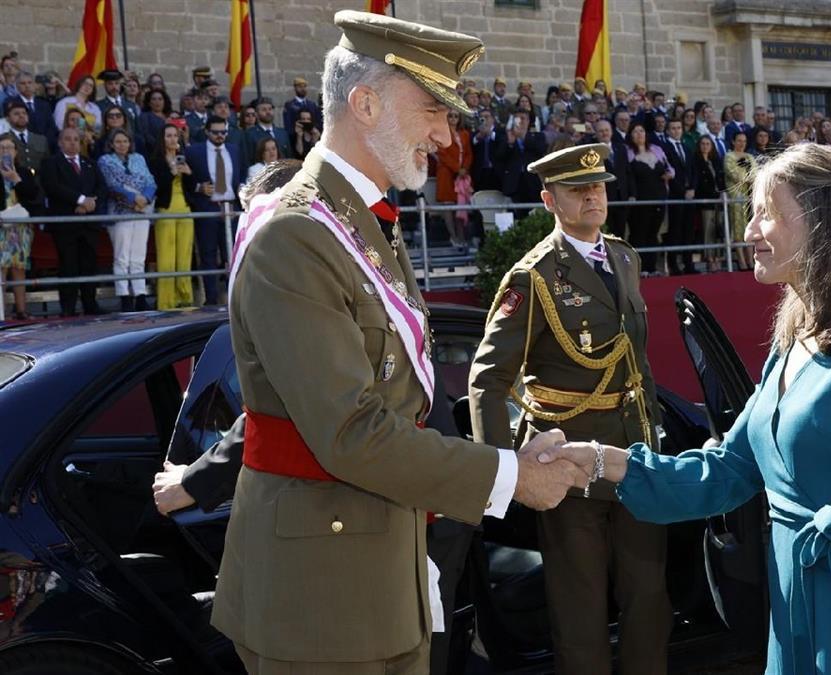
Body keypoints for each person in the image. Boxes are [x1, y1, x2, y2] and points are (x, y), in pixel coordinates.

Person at [212, 13, 587, 674]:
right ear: (365, 103)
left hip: (378, 573)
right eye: (432, 111)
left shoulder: (357, 223)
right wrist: (511, 476)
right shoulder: (296, 236)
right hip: (323, 598)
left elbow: (396, 402)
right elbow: (353, 430)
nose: (446, 135)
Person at [543, 142, 831, 674]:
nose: (750, 232)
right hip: (789, 617)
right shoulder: (792, 337)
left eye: (768, 215)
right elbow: (726, 471)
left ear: (828, 224)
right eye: (751, 214)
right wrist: (600, 460)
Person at [469, 143, 669, 675]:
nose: (591, 197)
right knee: (579, 612)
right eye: (577, 190)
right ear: (549, 200)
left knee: (648, 600)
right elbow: (487, 381)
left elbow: (635, 358)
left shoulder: (625, 256)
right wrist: (504, 473)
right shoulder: (531, 277)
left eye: (598, 186)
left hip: (633, 455)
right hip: (569, 466)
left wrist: (656, 432)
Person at [41, 127, 105, 316]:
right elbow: (53, 187)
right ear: (60, 142)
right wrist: (79, 200)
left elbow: (102, 187)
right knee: (68, 266)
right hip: (66, 225)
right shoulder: (51, 163)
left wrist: (91, 202)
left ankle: (90, 305)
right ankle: (68, 308)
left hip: (89, 224)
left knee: (89, 266)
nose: (72, 142)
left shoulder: (89, 163)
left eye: (76, 139)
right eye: (68, 139)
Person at [98, 129, 156, 311]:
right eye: (118, 142)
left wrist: (145, 199)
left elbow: (150, 181)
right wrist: (133, 199)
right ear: (112, 144)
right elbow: (112, 185)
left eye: (125, 141)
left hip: (142, 211)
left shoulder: (139, 158)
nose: (122, 145)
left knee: (139, 256)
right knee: (122, 257)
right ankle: (123, 296)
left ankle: (140, 295)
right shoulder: (105, 160)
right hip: (120, 213)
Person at [184, 116, 240, 305]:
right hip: (208, 208)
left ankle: (236, 297)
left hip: (231, 208)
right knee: (208, 256)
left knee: (233, 256)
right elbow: (186, 182)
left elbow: (238, 179)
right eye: (216, 132)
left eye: (223, 132)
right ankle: (212, 300)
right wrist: (198, 188)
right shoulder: (194, 152)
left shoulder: (234, 149)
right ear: (207, 131)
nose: (220, 136)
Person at [147, 124, 195, 310]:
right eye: (168, 136)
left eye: (175, 135)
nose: (173, 139)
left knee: (184, 257)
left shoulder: (184, 158)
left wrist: (189, 174)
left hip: (185, 209)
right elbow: (157, 187)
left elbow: (192, 187)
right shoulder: (156, 160)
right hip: (165, 210)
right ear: (162, 139)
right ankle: (166, 303)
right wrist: (171, 172)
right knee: (167, 259)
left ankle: (185, 298)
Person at [0, 132, 41, 319]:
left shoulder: (23, 172)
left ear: (16, 152)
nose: (5, 151)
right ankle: (1, 311)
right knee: (1, 269)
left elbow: (33, 194)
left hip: (20, 228)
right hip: (1, 227)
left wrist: (16, 178)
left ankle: (21, 310)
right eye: (1, 148)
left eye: (9, 147)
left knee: (19, 268)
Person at [626, 123, 671, 275]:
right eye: (635, 131)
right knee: (639, 233)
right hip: (640, 200)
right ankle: (640, 268)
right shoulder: (628, 153)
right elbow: (627, 174)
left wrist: (670, 174)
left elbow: (669, 168)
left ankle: (651, 268)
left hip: (658, 198)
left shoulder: (657, 150)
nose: (639, 134)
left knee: (653, 233)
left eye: (642, 130)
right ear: (631, 135)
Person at [435, 108, 474, 247]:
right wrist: (458, 169)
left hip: (461, 176)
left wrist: (464, 169)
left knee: (460, 206)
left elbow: (469, 153)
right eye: (450, 116)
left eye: (456, 116)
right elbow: (442, 153)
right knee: (448, 206)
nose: (453, 118)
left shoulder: (464, 134)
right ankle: (453, 236)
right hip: (446, 174)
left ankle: (461, 236)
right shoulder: (441, 133)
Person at [662, 117, 694, 274]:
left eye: (678, 128)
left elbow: (692, 170)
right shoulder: (665, 148)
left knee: (688, 230)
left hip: (690, 196)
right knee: (674, 231)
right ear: (668, 131)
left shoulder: (687, 148)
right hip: (675, 195)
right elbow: (668, 172)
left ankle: (689, 264)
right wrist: (682, 191)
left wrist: (692, 188)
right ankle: (673, 265)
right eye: (673, 128)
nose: (676, 130)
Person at [592, 119, 633, 240]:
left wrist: (632, 194)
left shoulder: (621, 148)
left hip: (622, 199)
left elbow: (628, 172)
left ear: (611, 132)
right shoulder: (592, 151)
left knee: (620, 234)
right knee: (605, 234)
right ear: (596, 133)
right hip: (604, 199)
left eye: (607, 130)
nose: (604, 133)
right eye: (601, 131)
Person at [690, 134, 725, 271]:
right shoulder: (696, 161)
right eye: (703, 144)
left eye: (708, 144)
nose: (705, 146)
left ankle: (717, 258)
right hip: (705, 200)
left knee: (718, 230)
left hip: (717, 200)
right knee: (707, 231)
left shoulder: (715, 161)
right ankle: (709, 259)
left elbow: (720, 179)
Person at [724, 130, 754, 271]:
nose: (742, 143)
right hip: (735, 198)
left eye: (744, 141)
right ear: (733, 142)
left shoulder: (749, 156)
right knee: (737, 230)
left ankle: (751, 260)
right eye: (739, 140)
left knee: (750, 229)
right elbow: (734, 174)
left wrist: (748, 177)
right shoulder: (729, 156)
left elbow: (756, 173)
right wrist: (748, 176)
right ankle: (741, 261)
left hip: (749, 198)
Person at [5, 99, 49, 171]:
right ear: (7, 119)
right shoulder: (4, 139)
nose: (21, 116)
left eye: (24, 113)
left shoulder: (41, 139)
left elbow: (47, 165)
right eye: (16, 114)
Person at [136, 89, 171, 156]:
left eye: (160, 99)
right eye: (154, 99)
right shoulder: (145, 116)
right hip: (154, 152)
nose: (157, 102)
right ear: (149, 102)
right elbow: (146, 135)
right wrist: (161, 147)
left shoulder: (170, 116)